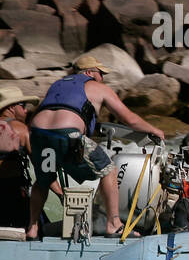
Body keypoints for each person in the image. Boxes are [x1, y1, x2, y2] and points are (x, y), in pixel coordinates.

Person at [27, 54, 166, 239]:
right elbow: (130, 119)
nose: (103, 78)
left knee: (43, 180)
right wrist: (155, 130)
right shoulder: (98, 87)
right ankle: (113, 224)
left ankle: (32, 228)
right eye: (101, 73)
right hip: (69, 134)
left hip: (39, 134)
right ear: (90, 72)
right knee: (108, 169)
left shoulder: (57, 85)